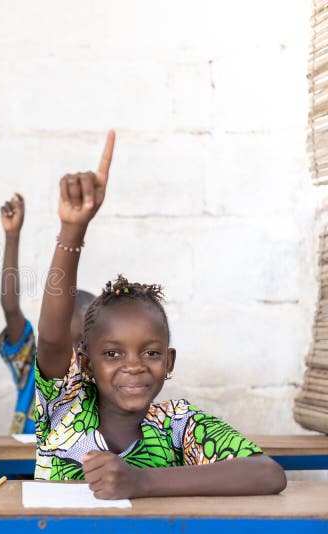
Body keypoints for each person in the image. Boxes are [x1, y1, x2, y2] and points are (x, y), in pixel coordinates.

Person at [34, 130, 286, 498]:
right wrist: (73, 229)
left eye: (150, 352)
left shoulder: (176, 424)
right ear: (85, 364)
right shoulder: (66, 406)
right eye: (112, 353)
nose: (133, 365)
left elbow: (268, 474)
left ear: (169, 361)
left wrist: (141, 482)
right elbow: (53, 337)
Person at [0, 193, 93, 434]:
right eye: (66, 341)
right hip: (17, 470)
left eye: (83, 343)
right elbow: (10, 307)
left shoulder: (97, 377)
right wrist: (12, 236)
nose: (75, 352)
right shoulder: (32, 364)